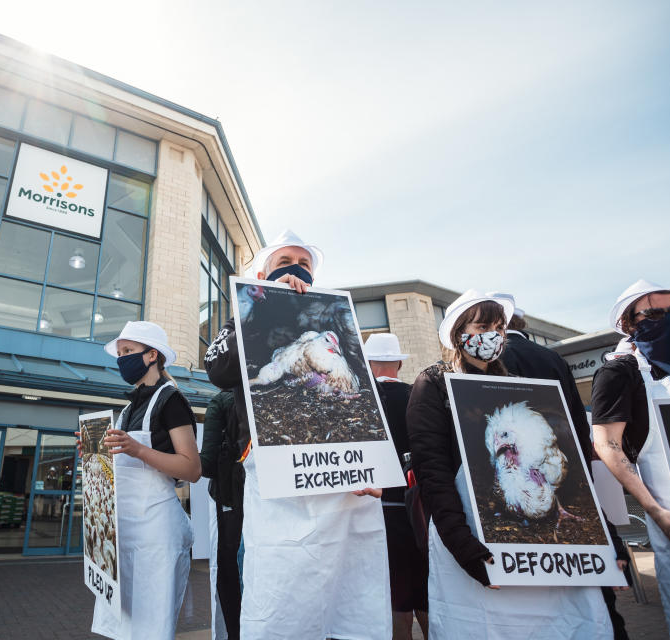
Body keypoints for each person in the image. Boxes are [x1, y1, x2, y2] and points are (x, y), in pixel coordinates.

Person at [204, 229, 389, 640]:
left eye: (304, 263)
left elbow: (361, 392)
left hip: (342, 486)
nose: (295, 269)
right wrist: (250, 304)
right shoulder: (244, 317)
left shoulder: (333, 317)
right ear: (262, 273)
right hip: (276, 489)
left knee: (349, 596)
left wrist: (371, 463)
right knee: (277, 594)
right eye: (284, 261)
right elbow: (218, 370)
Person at [407, 290, 612, 638]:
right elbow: (433, 473)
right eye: (484, 326)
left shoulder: (522, 387)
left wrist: (609, 545)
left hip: (540, 553)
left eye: (499, 327)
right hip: (472, 541)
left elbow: (573, 462)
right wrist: (464, 546)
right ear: (460, 333)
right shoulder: (434, 384)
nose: (494, 335)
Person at [499, 304, 632, 639]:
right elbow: (575, 414)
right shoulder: (551, 358)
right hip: (564, 457)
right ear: (522, 323)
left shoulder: (498, 358)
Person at [591, 279, 670, 638]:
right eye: (653, 314)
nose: (668, 319)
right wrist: (656, 511)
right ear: (629, 323)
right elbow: (607, 445)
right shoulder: (621, 373)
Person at [88, 321, 199, 640]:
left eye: (128, 351)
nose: (122, 358)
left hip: (156, 532)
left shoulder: (171, 400)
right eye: (119, 353)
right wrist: (94, 451)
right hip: (123, 530)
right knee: (123, 621)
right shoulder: (127, 408)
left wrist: (136, 449)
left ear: (152, 356)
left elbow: (191, 469)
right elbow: (117, 463)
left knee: (151, 624)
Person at [363, 333, 428, 640]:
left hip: (377, 509)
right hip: (421, 508)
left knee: (395, 595)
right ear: (399, 363)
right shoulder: (420, 395)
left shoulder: (360, 401)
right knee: (426, 590)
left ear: (367, 363)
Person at [199, 389, 242, 639]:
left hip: (230, 504)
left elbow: (206, 464)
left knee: (231, 581)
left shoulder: (223, 400)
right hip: (276, 509)